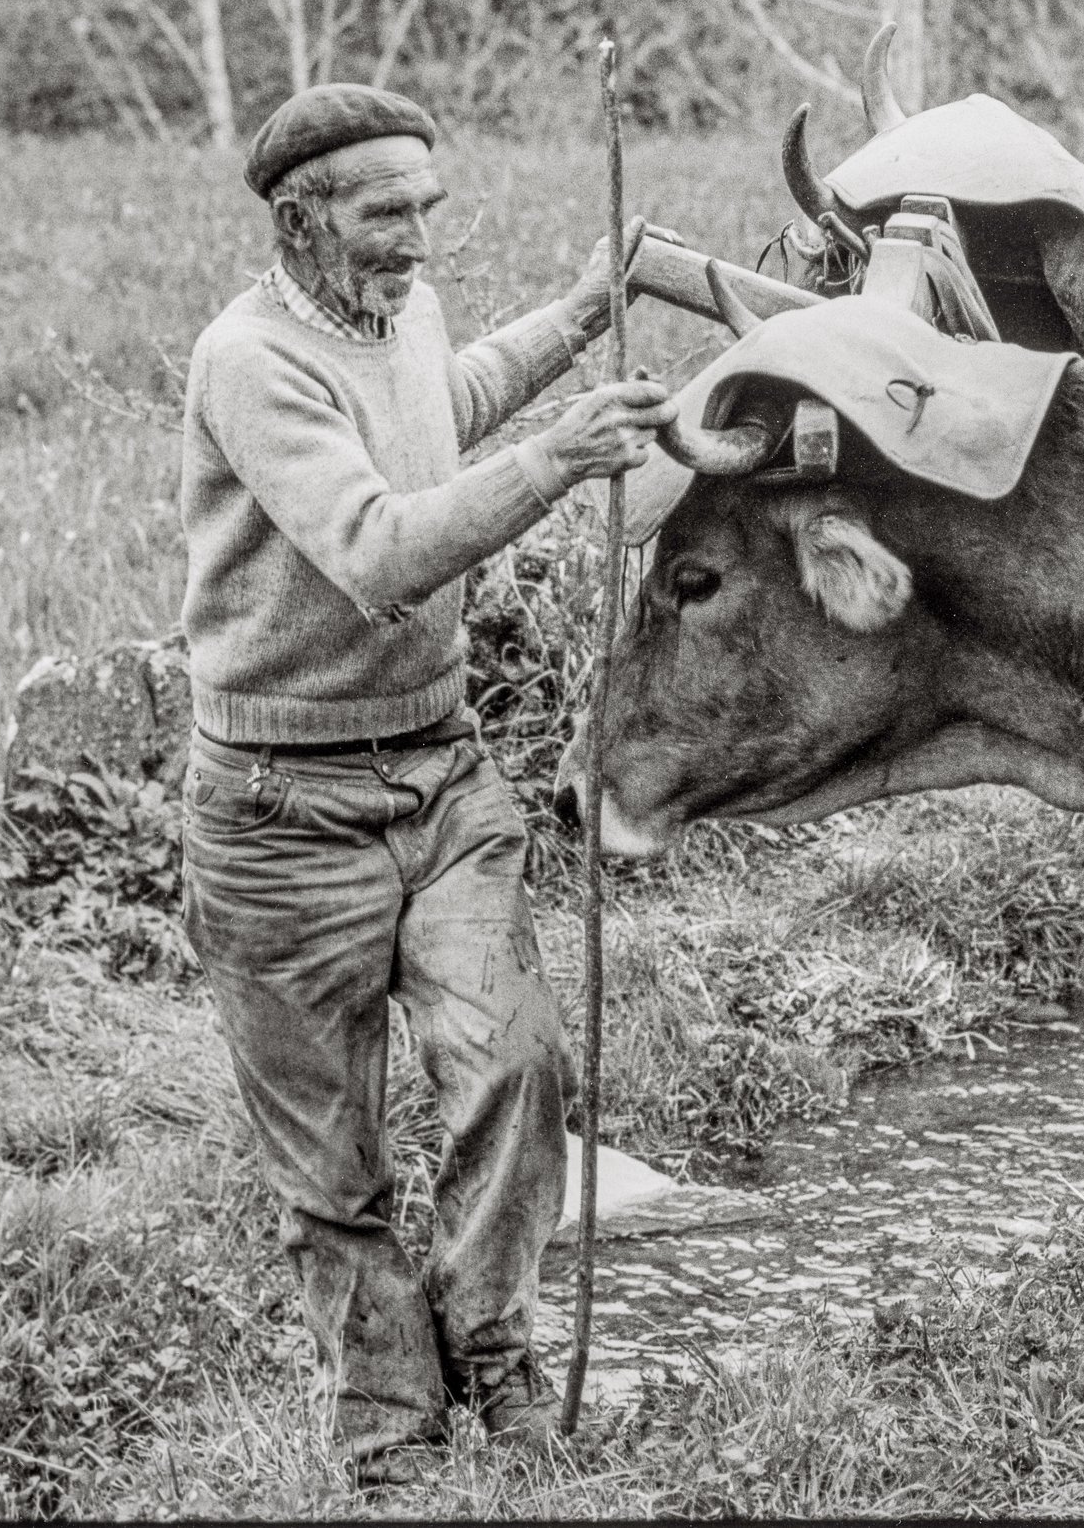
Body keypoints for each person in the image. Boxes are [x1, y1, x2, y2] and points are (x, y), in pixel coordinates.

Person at [176, 82, 674, 1477]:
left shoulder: (398, 311)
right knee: (331, 1165)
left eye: (425, 207)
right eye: (385, 210)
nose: (415, 237)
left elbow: (436, 413)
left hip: (440, 775)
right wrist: (562, 462)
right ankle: (391, 1423)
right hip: (279, 814)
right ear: (301, 216)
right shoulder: (249, 359)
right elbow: (380, 544)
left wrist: (581, 316)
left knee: (517, 1062)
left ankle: (495, 1347)